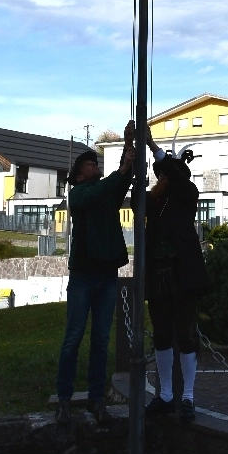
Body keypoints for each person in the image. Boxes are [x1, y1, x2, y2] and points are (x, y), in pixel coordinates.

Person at [55, 122, 134, 425]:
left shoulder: (103, 193)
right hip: (84, 276)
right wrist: (122, 168)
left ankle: (95, 398)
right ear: (78, 176)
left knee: (100, 340)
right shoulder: (78, 195)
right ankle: (64, 399)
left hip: (105, 276)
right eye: (89, 164)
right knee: (73, 337)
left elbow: (120, 180)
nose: (94, 165)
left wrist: (128, 146)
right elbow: (109, 184)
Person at [144, 135, 209, 423]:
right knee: (161, 335)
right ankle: (166, 395)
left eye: (166, 175)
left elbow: (178, 179)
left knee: (185, 335)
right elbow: (136, 201)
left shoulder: (187, 194)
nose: (162, 179)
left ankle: (188, 396)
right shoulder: (152, 203)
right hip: (157, 274)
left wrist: (154, 147)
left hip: (183, 275)